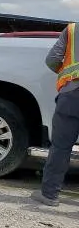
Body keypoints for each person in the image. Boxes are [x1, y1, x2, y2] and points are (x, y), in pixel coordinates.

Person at [31, 23, 79, 206]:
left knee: (61, 147)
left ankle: (49, 195)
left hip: (72, 95)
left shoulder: (73, 29)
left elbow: (52, 60)